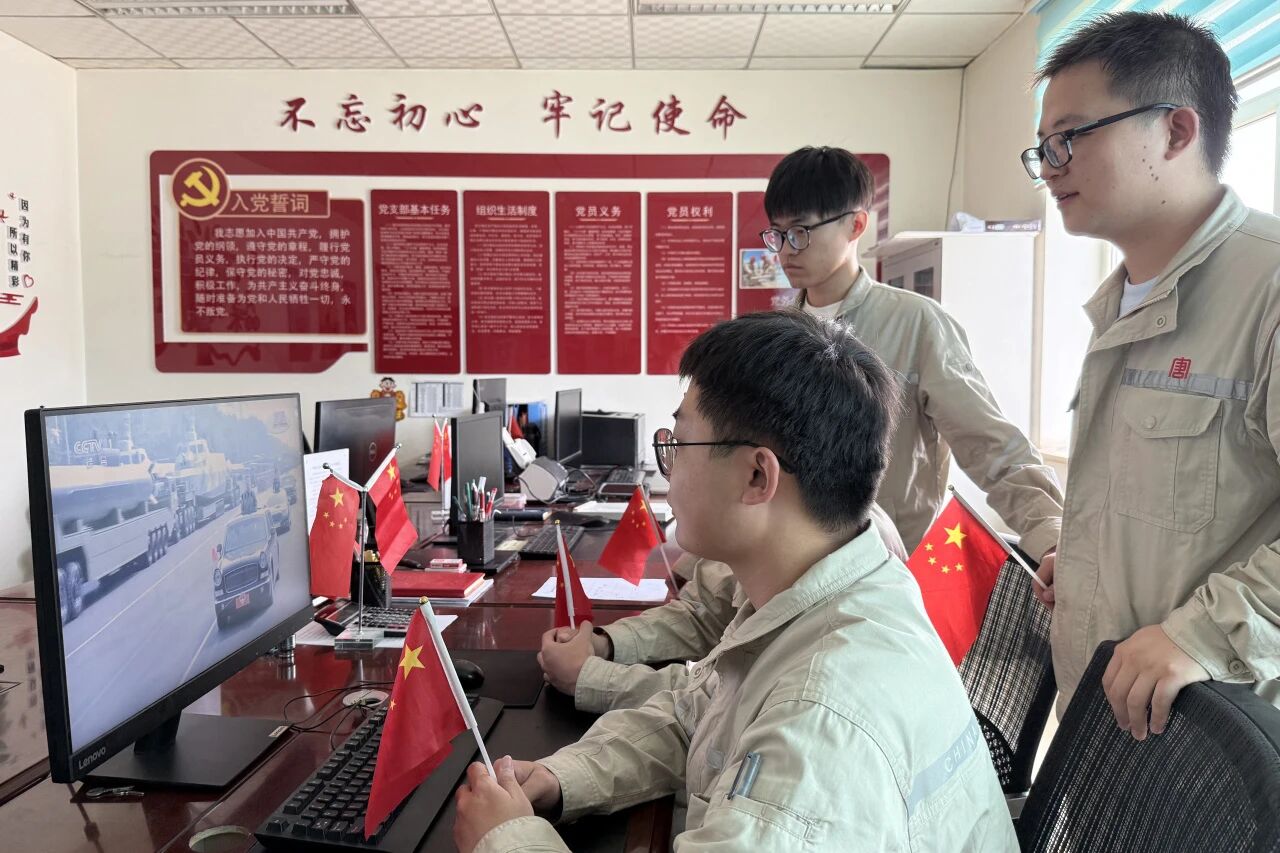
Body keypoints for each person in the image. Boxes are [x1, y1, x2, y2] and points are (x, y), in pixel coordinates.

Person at [453, 310, 1017, 852]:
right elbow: (699, 716)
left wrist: (504, 839)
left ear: (756, 475)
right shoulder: (824, 589)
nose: (668, 468)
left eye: (678, 444)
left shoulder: (819, 720)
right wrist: (561, 777)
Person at [541, 145, 1064, 713]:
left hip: (864, 592)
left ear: (856, 225)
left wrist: (1051, 539)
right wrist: (686, 577)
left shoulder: (916, 325)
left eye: (802, 232)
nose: (786, 250)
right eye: (777, 233)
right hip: (770, 590)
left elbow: (994, 449)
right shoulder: (775, 336)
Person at [1028, 11, 1280, 736]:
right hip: (1110, 729)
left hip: (1219, 753)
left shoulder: (1266, 291)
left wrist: (1202, 633)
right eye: (1042, 147)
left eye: (1070, 137)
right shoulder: (1122, 301)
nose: (1050, 166)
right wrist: (1090, 564)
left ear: (1175, 131)